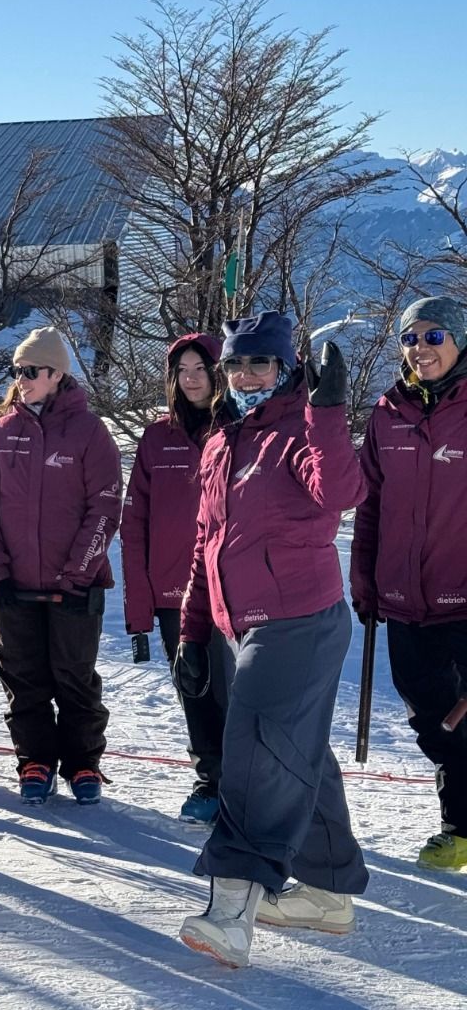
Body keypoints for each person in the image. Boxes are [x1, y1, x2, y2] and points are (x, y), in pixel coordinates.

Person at [176, 311, 368, 968]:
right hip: (244, 624)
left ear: (286, 369)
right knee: (296, 750)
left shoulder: (300, 429)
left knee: (257, 752)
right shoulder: (223, 440)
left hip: (299, 619)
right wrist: (193, 631)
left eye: (259, 363)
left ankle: (232, 910)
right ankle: (328, 891)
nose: (245, 375)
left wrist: (328, 410)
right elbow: (206, 544)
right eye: (235, 364)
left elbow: (340, 490)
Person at [0, 327, 123, 806]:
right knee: (23, 676)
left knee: (74, 676)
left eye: (31, 370)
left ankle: (82, 762)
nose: (22, 378)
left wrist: (79, 574)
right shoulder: (2, 431)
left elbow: (105, 507)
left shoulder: (89, 432)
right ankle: (34, 759)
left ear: (57, 374)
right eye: (17, 370)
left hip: (74, 587)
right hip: (14, 584)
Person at [352, 296, 467, 870]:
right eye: (410, 338)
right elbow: (368, 505)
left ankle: (459, 826)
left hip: (463, 597)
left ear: (459, 341)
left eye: (434, 335)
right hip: (402, 598)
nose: (421, 348)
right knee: (430, 718)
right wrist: (365, 580)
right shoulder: (387, 413)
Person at [121, 334, 233, 822]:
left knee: (240, 693)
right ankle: (210, 781)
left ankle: (249, 787)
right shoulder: (157, 437)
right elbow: (134, 525)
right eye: (181, 370)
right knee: (195, 688)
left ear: (218, 371)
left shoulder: (240, 429)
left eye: (199, 368)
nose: (190, 378)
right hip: (176, 594)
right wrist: (138, 610)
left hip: (235, 588)